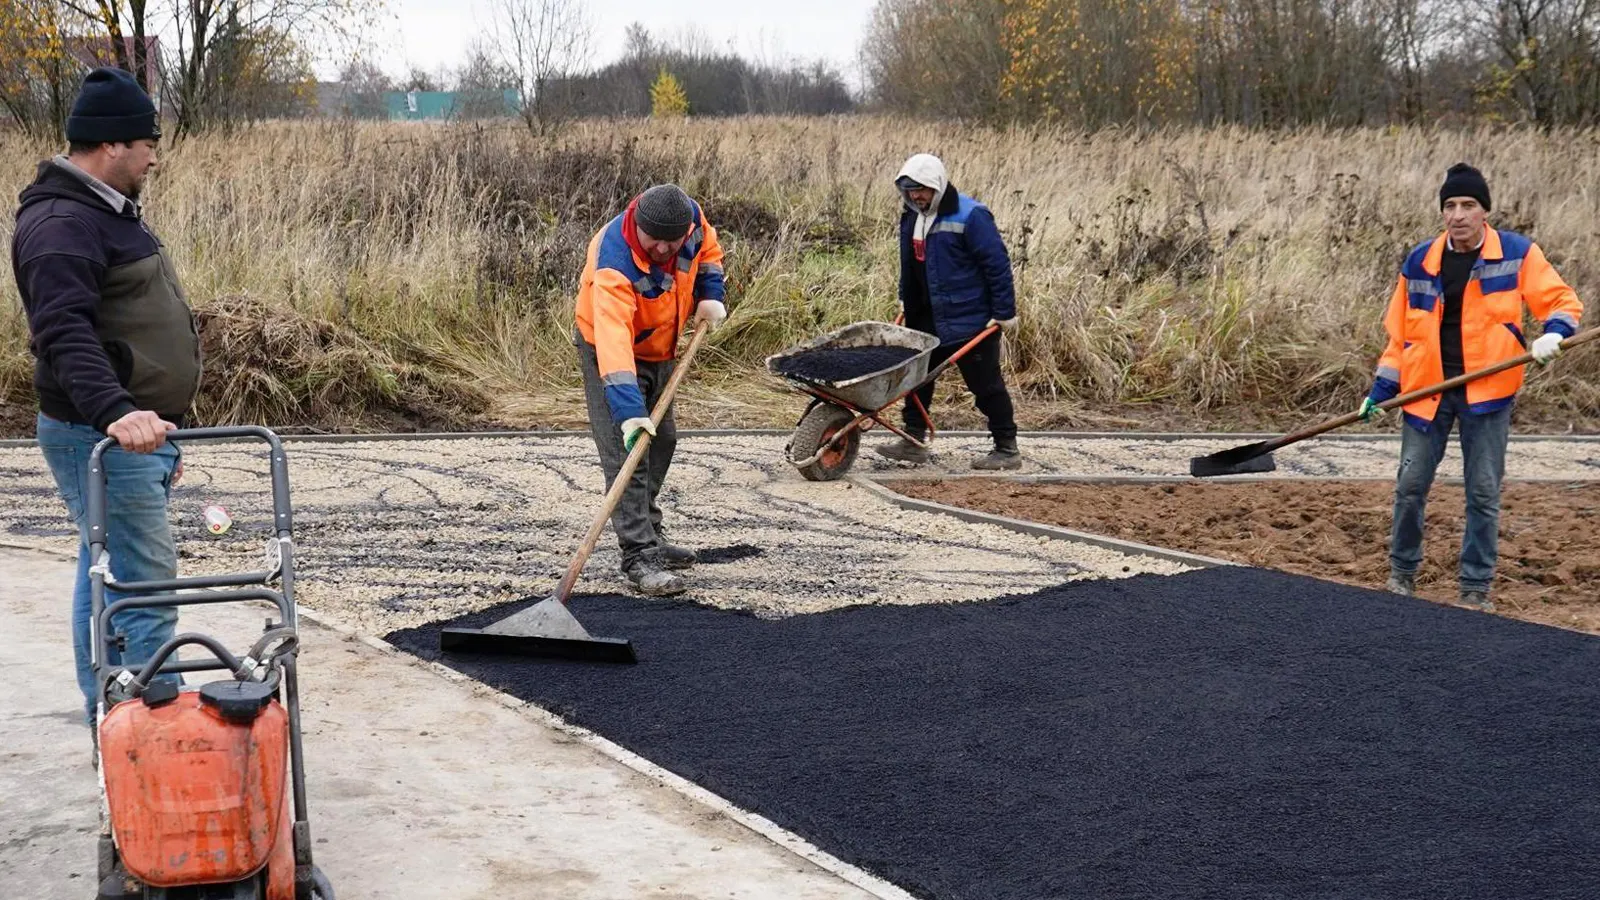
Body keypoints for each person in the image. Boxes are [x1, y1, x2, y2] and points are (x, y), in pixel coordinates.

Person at [12, 68, 199, 721]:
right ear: (112, 144)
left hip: (127, 435)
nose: (154, 155)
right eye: (148, 141)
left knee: (107, 567)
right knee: (145, 581)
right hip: (102, 434)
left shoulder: (100, 210)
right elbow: (62, 331)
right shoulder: (62, 222)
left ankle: (111, 715)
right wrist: (118, 413)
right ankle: (152, 722)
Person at [1361, 163, 1582, 612]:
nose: (1458, 214)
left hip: (1488, 393)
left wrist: (1554, 333)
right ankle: (1401, 575)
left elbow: (1561, 300)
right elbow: (1399, 337)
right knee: (1409, 487)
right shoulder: (1420, 261)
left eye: (1468, 205)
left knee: (1482, 492)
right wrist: (1382, 390)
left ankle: (1475, 589)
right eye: (1450, 205)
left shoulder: (1517, 254)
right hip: (1426, 394)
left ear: (1484, 211)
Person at [574, 184, 727, 596]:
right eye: (652, 239)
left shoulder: (692, 222)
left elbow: (709, 255)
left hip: (662, 345)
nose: (662, 247)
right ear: (637, 225)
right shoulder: (614, 264)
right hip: (610, 352)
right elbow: (613, 344)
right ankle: (639, 554)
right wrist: (628, 412)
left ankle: (651, 532)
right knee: (631, 450)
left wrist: (711, 296)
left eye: (670, 241)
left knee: (664, 441)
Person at [877, 153, 1021, 470]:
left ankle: (1007, 449)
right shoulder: (912, 216)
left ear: (938, 185)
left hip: (971, 318)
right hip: (925, 315)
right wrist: (905, 297)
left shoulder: (971, 216)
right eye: (910, 189)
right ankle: (913, 440)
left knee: (986, 385)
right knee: (915, 380)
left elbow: (997, 266)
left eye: (923, 189)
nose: (917, 195)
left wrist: (1003, 312)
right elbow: (910, 265)